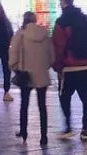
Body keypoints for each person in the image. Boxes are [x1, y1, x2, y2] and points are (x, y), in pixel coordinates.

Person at [52, 0, 87, 141]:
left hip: (70, 66)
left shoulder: (61, 22)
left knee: (64, 96)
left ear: (62, 1)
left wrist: (58, 66)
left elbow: (58, 46)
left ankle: (68, 126)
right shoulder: (86, 19)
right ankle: (86, 130)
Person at [9, 11, 54, 146]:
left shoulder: (21, 34)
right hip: (41, 74)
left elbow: (13, 52)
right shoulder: (44, 34)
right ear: (35, 20)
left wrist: (14, 67)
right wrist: (44, 66)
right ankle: (44, 136)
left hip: (25, 73)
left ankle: (24, 131)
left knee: (24, 104)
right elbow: (51, 55)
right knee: (42, 106)